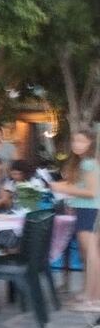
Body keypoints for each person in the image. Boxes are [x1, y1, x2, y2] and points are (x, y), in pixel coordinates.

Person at [50, 130, 100, 311]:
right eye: (75, 141)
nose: (77, 144)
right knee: (87, 254)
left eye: (82, 141)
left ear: (91, 143)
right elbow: (80, 186)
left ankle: (95, 299)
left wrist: (63, 189)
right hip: (85, 209)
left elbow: (92, 192)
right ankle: (88, 293)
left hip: (91, 210)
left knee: (92, 255)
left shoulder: (89, 163)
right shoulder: (84, 162)